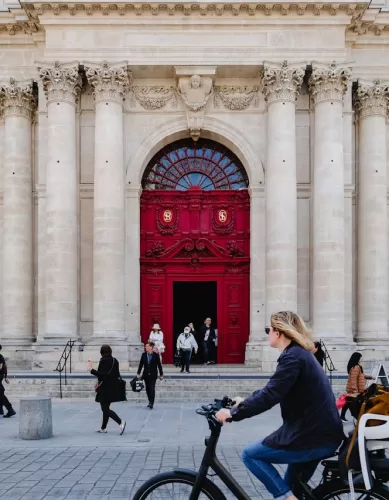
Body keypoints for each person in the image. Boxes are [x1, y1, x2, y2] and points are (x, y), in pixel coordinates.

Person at [215, 311, 344, 500]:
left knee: (251, 455)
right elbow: (273, 388)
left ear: (279, 332)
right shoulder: (298, 354)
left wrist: (233, 413)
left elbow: (271, 395)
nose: (268, 333)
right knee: (293, 488)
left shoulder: (293, 358)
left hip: (312, 436)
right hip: (319, 433)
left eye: (269, 329)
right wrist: (244, 402)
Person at [88, 344, 126, 434]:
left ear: (102, 352)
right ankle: (103, 428)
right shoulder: (115, 360)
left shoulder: (103, 361)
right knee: (106, 407)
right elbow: (115, 374)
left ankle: (120, 422)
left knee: (104, 408)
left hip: (105, 387)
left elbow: (102, 374)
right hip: (113, 387)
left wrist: (91, 370)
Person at [340, 352, 373, 422]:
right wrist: (354, 390)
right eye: (360, 358)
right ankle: (356, 417)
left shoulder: (357, 366)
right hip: (354, 390)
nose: (361, 359)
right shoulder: (356, 367)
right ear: (357, 358)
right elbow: (353, 380)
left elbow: (361, 375)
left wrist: (370, 377)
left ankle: (342, 416)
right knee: (353, 403)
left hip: (355, 389)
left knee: (348, 402)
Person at [137, 342, 164, 409]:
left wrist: (161, 374)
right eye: (145, 346)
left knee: (152, 388)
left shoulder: (156, 355)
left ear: (151, 347)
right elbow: (141, 364)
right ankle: (149, 401)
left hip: (153, 374)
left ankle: (151, 402)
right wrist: (138, 373)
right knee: (147, 388)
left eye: (147, 346)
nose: (145, 347)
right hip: (145, 374)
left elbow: (159, 365)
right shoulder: (143, 355)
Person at [0, 345, 16, 418]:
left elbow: (1, 367)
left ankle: (9, 409)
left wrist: (5, 377)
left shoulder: (0, 357)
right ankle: (4, 409)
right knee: (0, 393)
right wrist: (5, 377)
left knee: (1, 394)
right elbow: (5, 367)